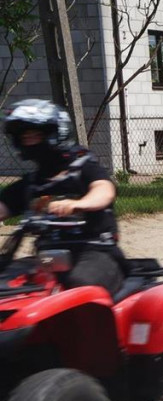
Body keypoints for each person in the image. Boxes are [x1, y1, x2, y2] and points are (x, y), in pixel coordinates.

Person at [1, 99, 123, 296]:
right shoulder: (33, 182)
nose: (30, 142)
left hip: (96, 252)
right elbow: (3, 206)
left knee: (80, 286)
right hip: (47, 258)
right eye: (25, 137)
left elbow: (104, 190)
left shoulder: (84, 167)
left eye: (35, 135)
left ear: (56, 133)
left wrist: (78, 204)